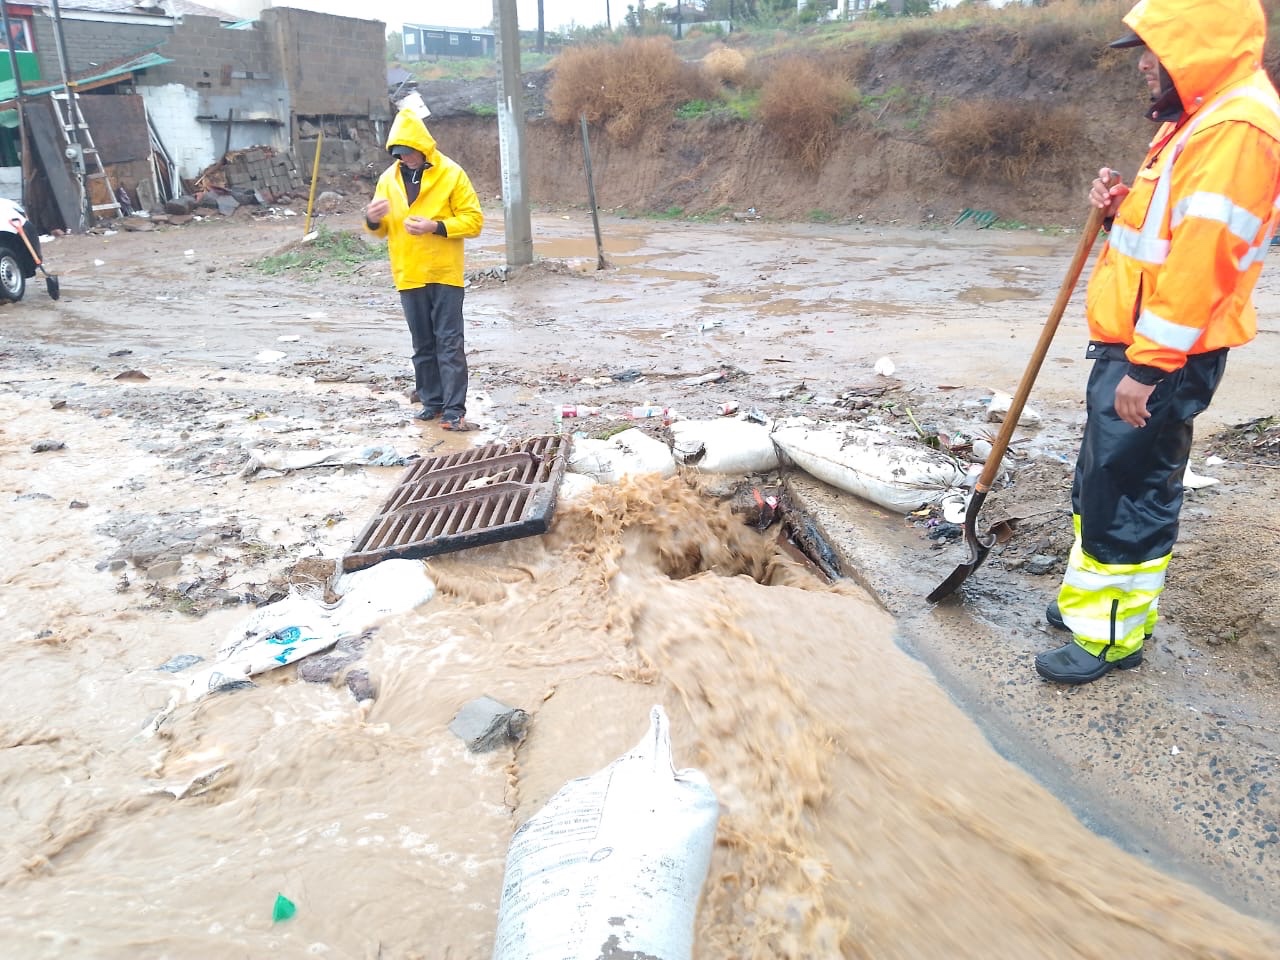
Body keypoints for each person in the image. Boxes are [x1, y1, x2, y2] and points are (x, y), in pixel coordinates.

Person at [1035, 0, 1280, 684]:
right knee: (1103, 481)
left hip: (1162, 354)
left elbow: (1202, 265)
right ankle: (1091, 603)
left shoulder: (1236, 128)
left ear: (1196, 44)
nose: (1142, 64)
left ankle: (1112, 636)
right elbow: (1168, 236)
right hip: (1139, 345)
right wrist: (1120, 211)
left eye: (1153, 49)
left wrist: (1147, 367)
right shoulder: (1200, 119)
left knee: (1131, 493)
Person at [365, 107, 484, 430]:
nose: (406, 159)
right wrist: (372, 219)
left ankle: (454, 410)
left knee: (449, 342)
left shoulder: (451, 173)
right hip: (409, 273)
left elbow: (474, 221)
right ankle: (431, 402)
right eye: (399, 154)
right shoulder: (387, 179)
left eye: (410, 153)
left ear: (423, 147)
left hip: (445, 273)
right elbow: (381, 230)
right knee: (422, 344)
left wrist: (436, 226)